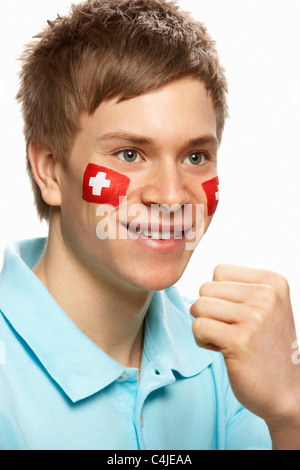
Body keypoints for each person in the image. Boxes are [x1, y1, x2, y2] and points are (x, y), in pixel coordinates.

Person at [0, 0, 299, 450]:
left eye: (195, 156)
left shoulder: (227, 355)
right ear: (49, 170)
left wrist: (289, 413)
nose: (173, 196)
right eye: (130, 154)